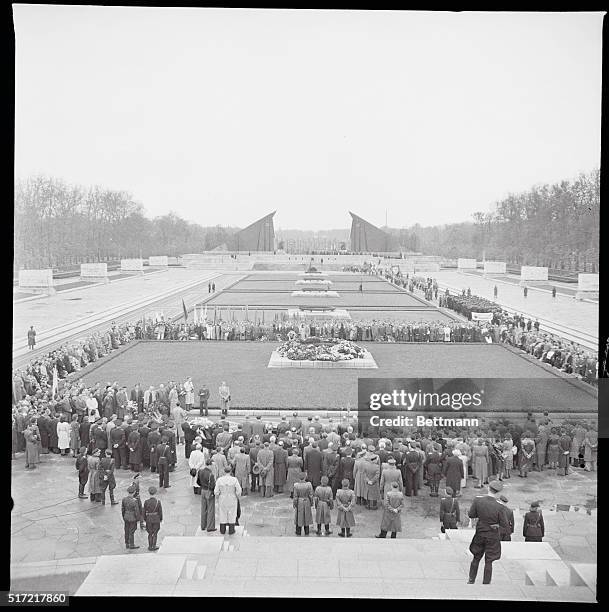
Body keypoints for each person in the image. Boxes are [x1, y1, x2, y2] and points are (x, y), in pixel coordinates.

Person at [467, 480, 509, 585]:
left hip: (480, 533)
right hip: (492, 535)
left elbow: (471, 515)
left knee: (476, 558)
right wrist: (497, 525)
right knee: (489, 561)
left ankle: (471, 580)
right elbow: (505, 526)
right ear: (497, 492)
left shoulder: (478, 500)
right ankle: (486, 583)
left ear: (488, 488)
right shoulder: (500, 506)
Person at [214, 465, 242, 535]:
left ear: (224, 471)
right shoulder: (234, 479)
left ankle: (222, 530)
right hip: (232, 498)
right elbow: (239, 490)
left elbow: (216, 491)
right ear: (231, 471)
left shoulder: (219, 480)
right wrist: (237, 496)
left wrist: (218, 496)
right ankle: (231, 530)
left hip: (222, 498)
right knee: (232, 514)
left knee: (222, 513)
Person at [197, 458, 217, 532]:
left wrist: (203, 485)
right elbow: (213, 486)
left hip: (203, 491)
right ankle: (210, 527)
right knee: (211, 510)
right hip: (209, 492)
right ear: (210, 464)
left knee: (203, 509)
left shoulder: (200, 471)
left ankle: (203, 525)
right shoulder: (211, 474)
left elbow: (198, 482)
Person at [143, 486, 163, 551]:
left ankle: (150, 546)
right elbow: (160, 512)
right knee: (155, 533)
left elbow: (144, 512)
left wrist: (145, 519)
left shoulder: (146, 502)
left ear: (149, 493)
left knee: (149, 533)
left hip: (149, 519)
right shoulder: (158, 502)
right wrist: (160, 519)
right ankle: (154, 546)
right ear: (155, 493)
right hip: (156, 519)